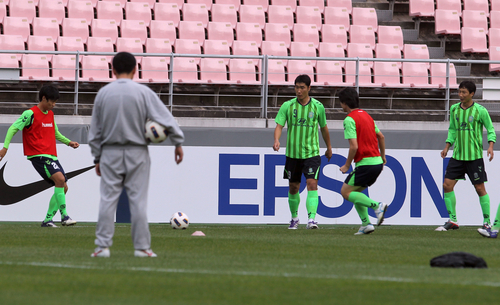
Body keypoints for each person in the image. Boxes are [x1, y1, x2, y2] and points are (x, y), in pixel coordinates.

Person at [88, 52, 185, 258]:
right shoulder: (143, 92)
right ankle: (142, 248)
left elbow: (94, 132)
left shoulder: (103, 94)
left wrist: (97, 157)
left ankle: (101, 247)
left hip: (110, 152)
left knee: (107, 200)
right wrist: (177, 142)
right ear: (135, 69)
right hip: (137, 151)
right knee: (138, 201)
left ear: (112, 70)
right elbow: (166, 118)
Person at [0, 85, 80, 227]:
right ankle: (64, 216)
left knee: (64, 186)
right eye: (52, 102)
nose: (54, 105)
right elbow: (13, 128)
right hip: (39, 156)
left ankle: (48, 219)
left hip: (52, 156)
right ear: (44, 98)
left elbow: (55, 133)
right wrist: (5, 148)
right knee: (60, 179)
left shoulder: (50, 114)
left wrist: (69, 143)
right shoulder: (29, 114)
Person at [273, 74, 333, 229]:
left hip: (311, 154)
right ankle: (294, 218)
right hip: (293, 155)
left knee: (312, 184)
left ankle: (312, 219)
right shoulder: (287, 106)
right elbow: (279, 126)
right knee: (293, 187)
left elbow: (324, 128)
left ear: (309, 88)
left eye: (302, 88)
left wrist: (329, 147)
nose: (298, 91)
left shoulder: (318, 107)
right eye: (296, 87)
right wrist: (277, 140)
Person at [437, 81, 496, 232]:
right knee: (447, 185)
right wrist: (447, 146)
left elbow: (490, 129)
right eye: (459, 92)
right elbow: (452, 130)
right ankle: (453, 220)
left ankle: (487, 222)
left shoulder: (480, 110)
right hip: (458, 156)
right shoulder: (454, 109)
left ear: (472, 94)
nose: (461, 95)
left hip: (474, 157)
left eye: (464, 92)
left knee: (479, 188)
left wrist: (490, 146)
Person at [338, 88, 388, 235]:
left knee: (345, 192)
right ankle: (366, 224)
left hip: (365, 163)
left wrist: (347, 165)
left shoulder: (349, 119)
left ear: (344, 103)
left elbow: (354, 146)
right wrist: (383, 156)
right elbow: (381, 137)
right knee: (356, 192)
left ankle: (377, 206)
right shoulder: (367, 116)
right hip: (376, 163)